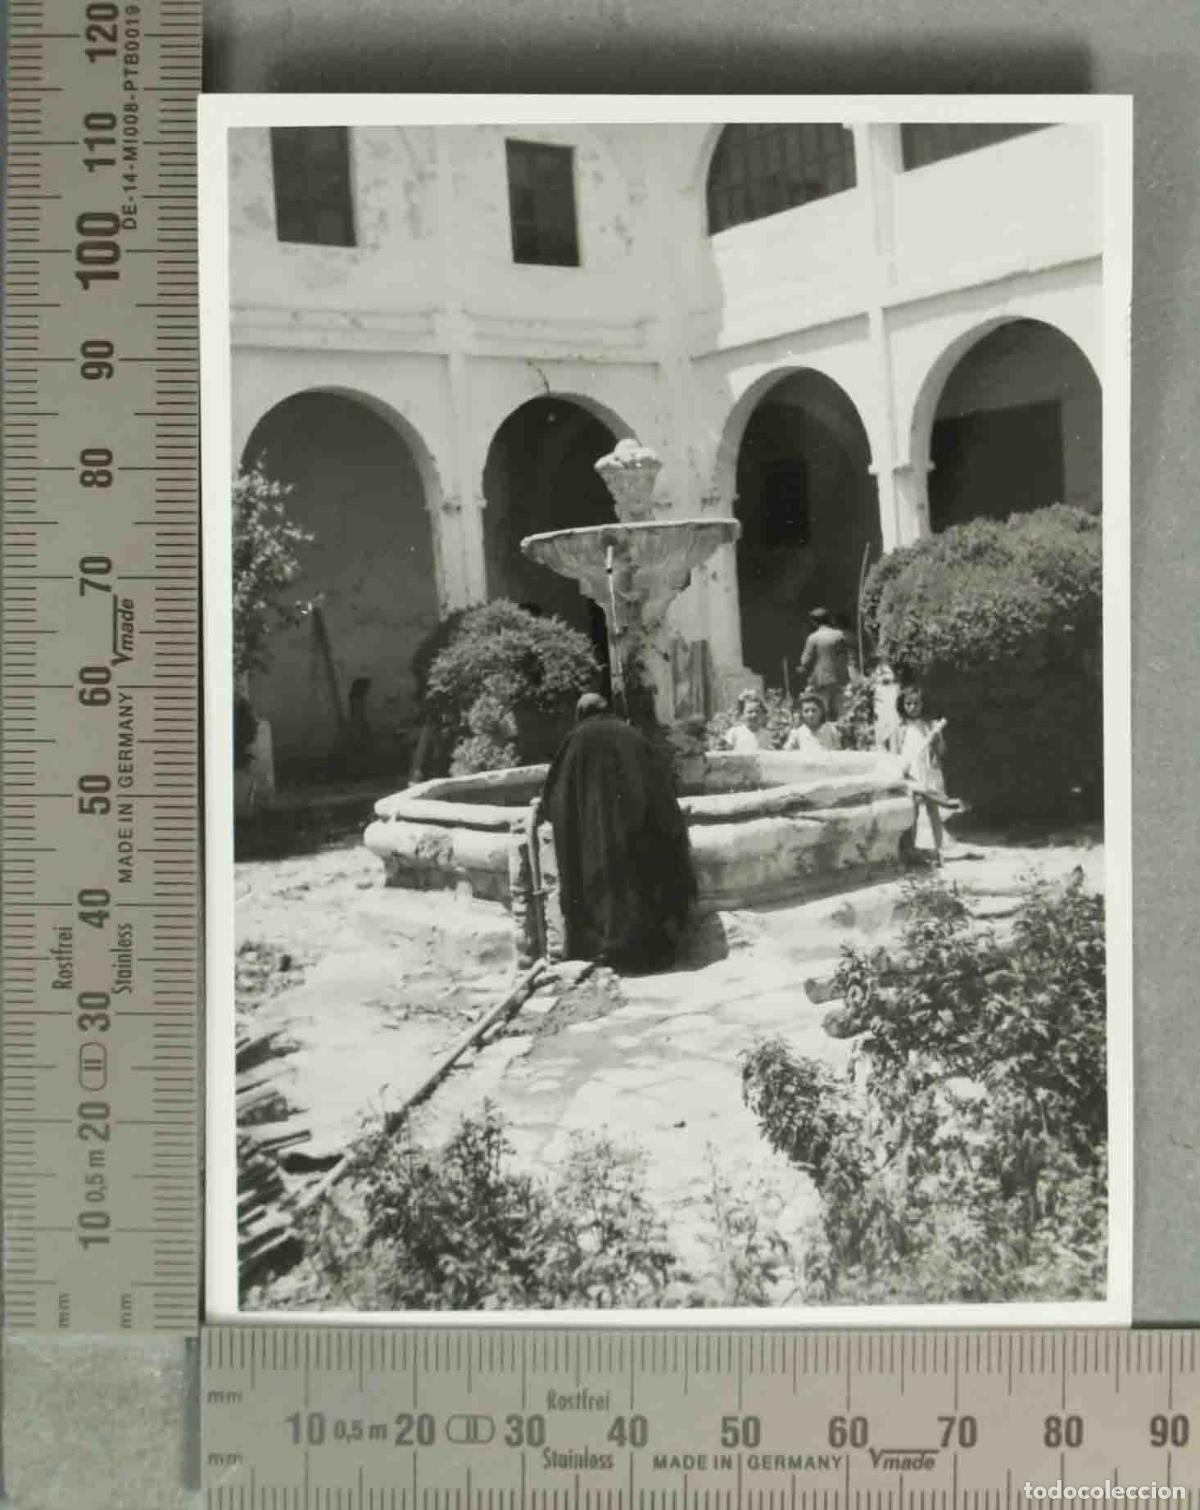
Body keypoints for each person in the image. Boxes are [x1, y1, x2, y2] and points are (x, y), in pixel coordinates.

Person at [534, 693, 697, 972]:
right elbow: (663, 787)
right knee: (639, 891)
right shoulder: (632, 735)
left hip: (595, 844)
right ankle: (646, 950)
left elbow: (554, 796)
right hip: (635, 838)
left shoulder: (575, 741)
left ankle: (605, 950)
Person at [896, 684, 960, 865]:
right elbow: (896, 753)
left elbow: (942, 751)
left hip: (928, 772)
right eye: (908, 704)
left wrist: (935, 740)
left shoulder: (930, 726)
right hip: (911, 774)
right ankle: (911, 850)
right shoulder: (901, 729)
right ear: (902, 705)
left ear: (923, 704)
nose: (912, 707)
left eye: (916, 703)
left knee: (933, 811)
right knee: (912, 811)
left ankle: (938, 849)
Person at [795, 607, 859, 721]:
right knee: (842, 713)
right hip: (840, 680)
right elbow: (845, 655)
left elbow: (805, 661)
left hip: (821, 681)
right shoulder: (839, 635)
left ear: (814, 622)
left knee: (823, 713)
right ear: (829, 619)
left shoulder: (813, 638)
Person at [783, 690, 841, 754]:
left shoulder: (831, 730)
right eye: (806, 711)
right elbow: (786, 752)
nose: (810, 714)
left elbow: (837, 753)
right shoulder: (798, 733)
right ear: (802, 714)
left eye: (814, 710)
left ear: (821, 712)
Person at [722, 689, 774, 753]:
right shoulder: (734, 733)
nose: (754, 715)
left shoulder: (767, 735)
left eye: (757, 711)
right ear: (742, 714)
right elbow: (726, 756)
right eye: (750, 712)